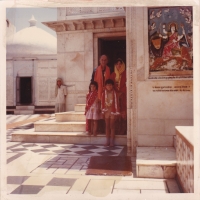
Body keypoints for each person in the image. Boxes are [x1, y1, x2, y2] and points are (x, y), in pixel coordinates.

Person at [110, 58, 127, 135]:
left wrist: (121, 92)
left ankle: (123, 130)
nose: (119, 65)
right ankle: (117, 130)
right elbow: (110, 86)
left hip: (124, 96)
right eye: (117, 64)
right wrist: (116, 93)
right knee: (116, 114)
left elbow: (127, 85)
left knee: (123, 114)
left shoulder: (126, 73)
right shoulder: (113, 75)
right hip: (115, 97)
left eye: (120, 64)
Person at [101, 79, 120, 147]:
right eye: (107, 85)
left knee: (112, 126)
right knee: (107, 126)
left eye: (110, 85)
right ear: (105, 86)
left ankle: (112, 142)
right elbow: (102, 103)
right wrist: (102, 111)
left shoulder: (114, 93)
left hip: (113, 111)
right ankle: (107, 141)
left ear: (112, 86)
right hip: (106, 111)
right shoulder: (104, 93)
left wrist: (117, 111)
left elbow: (117, 103)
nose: (109, 86)